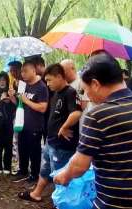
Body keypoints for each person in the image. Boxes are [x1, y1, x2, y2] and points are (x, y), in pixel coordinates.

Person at [54, 52, 132, 208]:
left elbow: (79, 166)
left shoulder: (98, 115)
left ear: (95, 84)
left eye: (85, 90)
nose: (87, 96)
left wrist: (64, 175)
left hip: (115, 202)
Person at [18, 63, 82, 202]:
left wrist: (64, 127)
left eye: (49, 80)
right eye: (46, 80)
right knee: (46, 169)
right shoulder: (56, 93)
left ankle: (62, 202)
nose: (47, 84)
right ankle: (36, 193)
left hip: (62, 145)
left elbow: (76, 112)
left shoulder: (70, 92)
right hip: (51, 141)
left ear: (59, 76)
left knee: (60, 175)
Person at [9, 60, 49, 183]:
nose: (23, 74)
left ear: (33, 70)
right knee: (22, 148)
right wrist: (12, 97)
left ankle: (35, 174)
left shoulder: (42, 86)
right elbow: (19, 104)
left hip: (35, 125)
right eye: (22, 71)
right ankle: (23, 170)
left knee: (34, 151)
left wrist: (26, 101)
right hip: (22, 123)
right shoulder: (22, 85)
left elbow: (43, 108)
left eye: (25, 71)